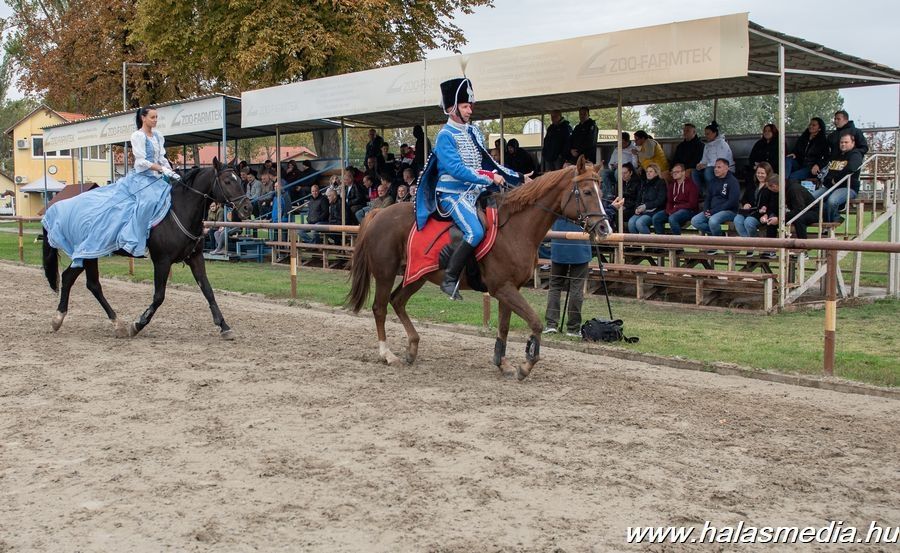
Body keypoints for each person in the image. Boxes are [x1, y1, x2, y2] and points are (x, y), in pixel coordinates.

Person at [415, 76, 522, 300]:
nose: (470, 110)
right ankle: (450, 278)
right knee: (475, 231)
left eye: (470, 105)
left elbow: (488, 164)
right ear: (452, 108)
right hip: (452, 194)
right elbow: (456, 170)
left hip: (475, 193)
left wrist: (517, 177)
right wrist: (489, 178)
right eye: (465, 106)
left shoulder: (474, 132)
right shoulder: (445, 136)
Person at [42, 106, 179, 268]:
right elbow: (141, 162)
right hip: (141, 178)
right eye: (152, 117)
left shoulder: (158, 136)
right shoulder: (138, 136)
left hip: (157, 179)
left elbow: (161, 157)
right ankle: (135, 242)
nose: (155, 120)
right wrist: (161, 169)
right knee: (147, 202)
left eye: (156, 117)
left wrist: (169, 170)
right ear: (143, 118)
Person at [543, 217, 592, 337]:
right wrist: (612, 208)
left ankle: (551, 324)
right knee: (576, 289)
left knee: (555, 287)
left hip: (559, 247)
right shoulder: (584, 203)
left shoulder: (560, 203)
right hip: (580, 249)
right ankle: (573, 328)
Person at [690, 158, 740, 253]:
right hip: (712, 210)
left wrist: (713, 212)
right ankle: (719, 236)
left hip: (729, 211)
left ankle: (715, 245)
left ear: (726, 168)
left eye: (719, 167)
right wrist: (706, 210)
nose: (716, 169)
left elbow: (732, 202)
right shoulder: (713, 181)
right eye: (715, 167)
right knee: (695, 221)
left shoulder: (733, 181)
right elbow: (708, 198)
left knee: (713, 221)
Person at [814, 132, 864, 223]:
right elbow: (828, 170)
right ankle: (833, 216)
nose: (843, 144)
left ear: (853, 143)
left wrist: (836, 180)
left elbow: (851, 168)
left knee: (832, 201)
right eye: (841, 142)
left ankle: (831, 223)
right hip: (830, 187)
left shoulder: (856, 154)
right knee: (811, 198)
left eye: (846, 142)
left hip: (848, 187)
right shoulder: (836, 155)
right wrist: (828, 180)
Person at [733, 161, 774, 256]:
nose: (760, 175)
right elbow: (744, 198)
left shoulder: (771, 186)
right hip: (749, 211)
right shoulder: (752, 184)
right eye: (758, 173)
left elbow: (773, 203)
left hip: (762, 213)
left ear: (768, 174)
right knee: (737, 220)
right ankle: (750, 244)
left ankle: (753, 244)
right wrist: (746, 203)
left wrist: (765, 210)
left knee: (748, 222)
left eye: (762, 173)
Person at [653, 163, 699, 236]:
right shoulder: (672, 185)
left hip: (688, 210)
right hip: (674, 210)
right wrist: (669, 211)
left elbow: (692, 204)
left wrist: (676, 208)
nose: (674, 174)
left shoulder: (691, 185)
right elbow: (669, 201)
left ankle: (678, 245)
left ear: (683, 172)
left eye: (677, 172)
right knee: (656, 218)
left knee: (672, 218)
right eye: (673, 172)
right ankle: (662, 244)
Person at [694, 122, 734, 195]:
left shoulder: (722, 144)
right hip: (709, 167)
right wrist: (700, 164)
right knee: (694, 172)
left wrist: (707, 166)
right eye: (705, 134)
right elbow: (704, 159)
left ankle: (714, 193)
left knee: (708, 171)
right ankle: (699, 194)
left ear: (714, 133)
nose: (706, 136)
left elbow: (721, 162)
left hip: (725, 169)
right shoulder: (707, 145)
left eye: (708, 134)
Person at [627, 163, 666, 235]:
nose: (648, 173)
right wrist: (636, 208)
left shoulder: (661, 183)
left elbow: (660, 200)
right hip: (642, 211)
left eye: (651, 171)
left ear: (656, 173)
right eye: (647, 171)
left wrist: (645, 206)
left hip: (654, 211)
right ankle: (638, 245)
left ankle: (650, 244)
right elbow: (638, 198)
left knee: (640, 223)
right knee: (631, 223)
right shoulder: (644, 183)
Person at [602, 132, 638, 200]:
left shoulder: (633, 149)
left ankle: (619, 192)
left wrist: (634, 155)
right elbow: (610, 163)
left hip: (626, 171)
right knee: (604, 172)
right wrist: (612, 166)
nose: (621, 144)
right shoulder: (616, 149)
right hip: (615, 169)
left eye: (623, 142)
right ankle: (609, 193)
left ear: (627, 141)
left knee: (618, 172)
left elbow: (635, 165)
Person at [608, 162, 640, 231]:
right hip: (621, 206)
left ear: (631, 173)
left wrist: (625, 206)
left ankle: (622, 235)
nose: (623, 175)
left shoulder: (637, 183)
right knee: (611, 212)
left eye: (625, 173)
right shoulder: (619, 183)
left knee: (619, 214)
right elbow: (616, 197)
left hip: (632, 208)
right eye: (622, 173)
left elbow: (637, 199)